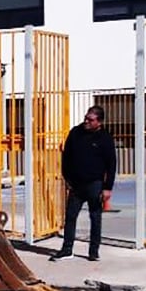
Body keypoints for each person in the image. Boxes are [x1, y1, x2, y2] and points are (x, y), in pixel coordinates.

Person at [51, 105, 116, 262]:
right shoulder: (76, 133)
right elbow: (66, 157)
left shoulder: (105, 138)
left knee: (95, 217)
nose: (86, 121)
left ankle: (93, 252)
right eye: (86, 118)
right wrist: (67, 179)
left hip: (95, 184)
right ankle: (67, 249)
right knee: (71, 216)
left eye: (90, 119)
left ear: (99, 122)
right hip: (76, 184)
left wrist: (107, 188)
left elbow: (111, 164)